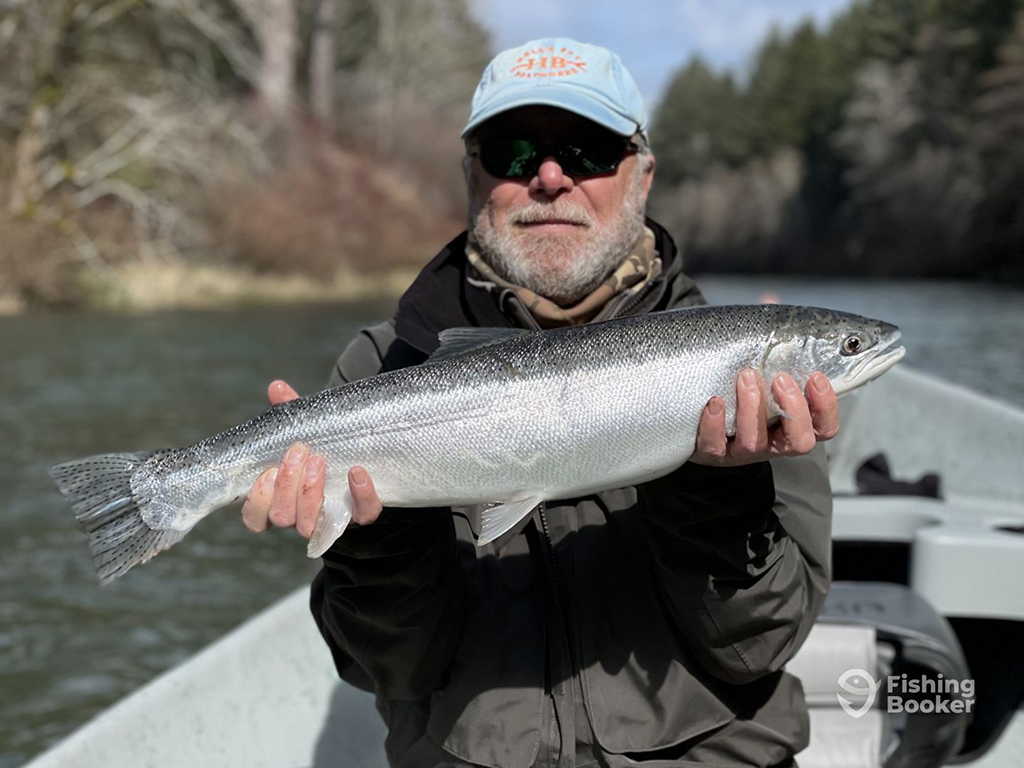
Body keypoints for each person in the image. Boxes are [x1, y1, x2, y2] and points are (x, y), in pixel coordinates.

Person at [241, 38, 837, 768]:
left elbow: (760, 646)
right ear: (473, 174)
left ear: (642, 176)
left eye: (588, 150)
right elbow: (386, 672)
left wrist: (718, 491)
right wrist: (379, 540)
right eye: (513, 151)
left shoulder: (737, 373)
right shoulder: (385, 368)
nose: (550, 177)